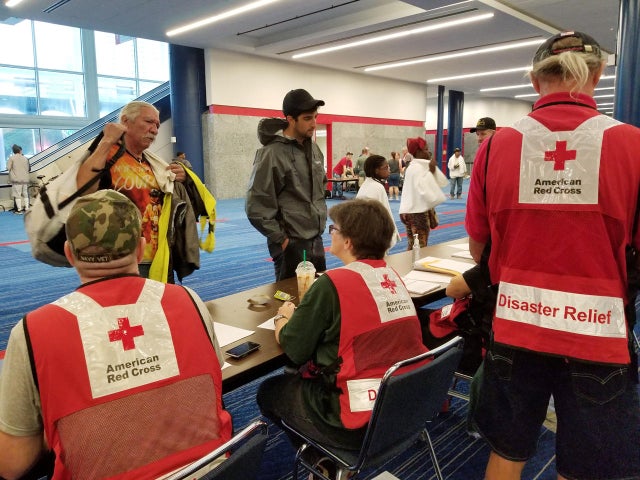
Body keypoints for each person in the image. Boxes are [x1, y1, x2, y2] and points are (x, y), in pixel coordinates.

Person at [466, 31, 640, 480]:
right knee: (584, 467)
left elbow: (478, 247)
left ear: (534, 79)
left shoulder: (493, 148)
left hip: (514, 325)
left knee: (507, 451)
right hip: (598, 335)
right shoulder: (634, 146)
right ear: (598, 74)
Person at [0, 189, 232, 480]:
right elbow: (212, 387)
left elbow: (11, 463)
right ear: (141, 248)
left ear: (70, 255)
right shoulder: (189, 300)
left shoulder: (32, 331)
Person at [256, 199, 428, 455]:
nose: (330, 233)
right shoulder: (391, 276)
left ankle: (322, 459)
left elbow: (294, 348)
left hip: (356, 420)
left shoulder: (332, 284)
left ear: (348, 242)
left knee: (269, 392)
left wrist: (283, 318)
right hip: (403, 403)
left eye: (333, 229)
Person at [75, 100, 210, 283]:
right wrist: (107, 140)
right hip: (120, 258)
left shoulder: (153, 163)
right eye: (148, 122)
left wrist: (183, 179)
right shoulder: (108, 155)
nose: (155, 130)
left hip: (158, 255)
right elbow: (84, 189)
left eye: (157, 125)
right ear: (125, 121)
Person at [246, 88, 327, 281]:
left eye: (315, 117)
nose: (314, 124)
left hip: (316, 239)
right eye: (308, 118)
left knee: (318, 297)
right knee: (291, 302)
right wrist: (282, 241)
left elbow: (320, 188)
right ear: (291, 119)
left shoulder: (314, 149)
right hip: (291, 243)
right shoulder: (271, 153)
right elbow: (256, 206)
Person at [398, 137, 441, 250]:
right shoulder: (419, 168)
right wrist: (432, 172)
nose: (428, 152)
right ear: (418, 151)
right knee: (420, 247)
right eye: (426, 149)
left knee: (412, 245)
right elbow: (425, 191)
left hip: (409, 211)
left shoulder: (412, 167)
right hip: (418, 214)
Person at [355, 154, 400, 249]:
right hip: (373, 237)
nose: (389, 170)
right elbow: (384, 214)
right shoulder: (377, 187)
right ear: (376, 170)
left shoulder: (368, 184)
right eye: (386, 168)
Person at [7, 144, 30, 214]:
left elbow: (8, 168)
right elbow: (28, 168)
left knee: (17, 195)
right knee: (25, 194)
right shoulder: (25, 158)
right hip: (25, 179)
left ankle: (19, 210)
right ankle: (27, 208)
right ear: (20, 150)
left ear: (13, 151)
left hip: (16, 179)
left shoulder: (12, 158)